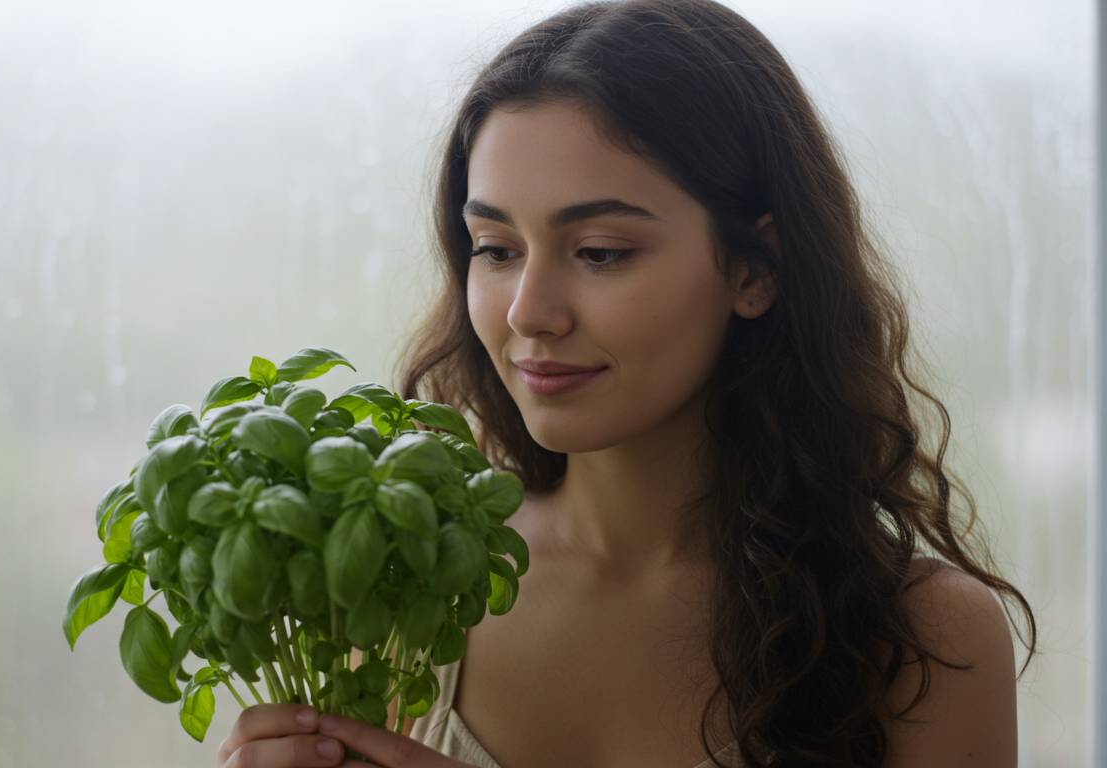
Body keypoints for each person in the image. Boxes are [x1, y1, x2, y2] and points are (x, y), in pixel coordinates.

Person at [215, 0, 1037, 765]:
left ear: (757, 268)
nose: (528, 312)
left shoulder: (924, 637)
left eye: (600, 252)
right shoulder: (403, 583)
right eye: (495, 249)